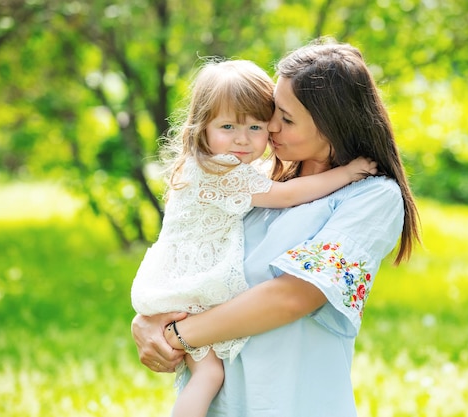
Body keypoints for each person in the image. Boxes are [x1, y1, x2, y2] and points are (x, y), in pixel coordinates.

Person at [132, 38, 421, 417]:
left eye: (285, 118)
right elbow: (190, 260)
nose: (269, 126)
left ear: (331, 123)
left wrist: (174, 334)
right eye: (272, 112)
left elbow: (292, 297)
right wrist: (147, 320)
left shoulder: (370, 198)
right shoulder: (253, 180)